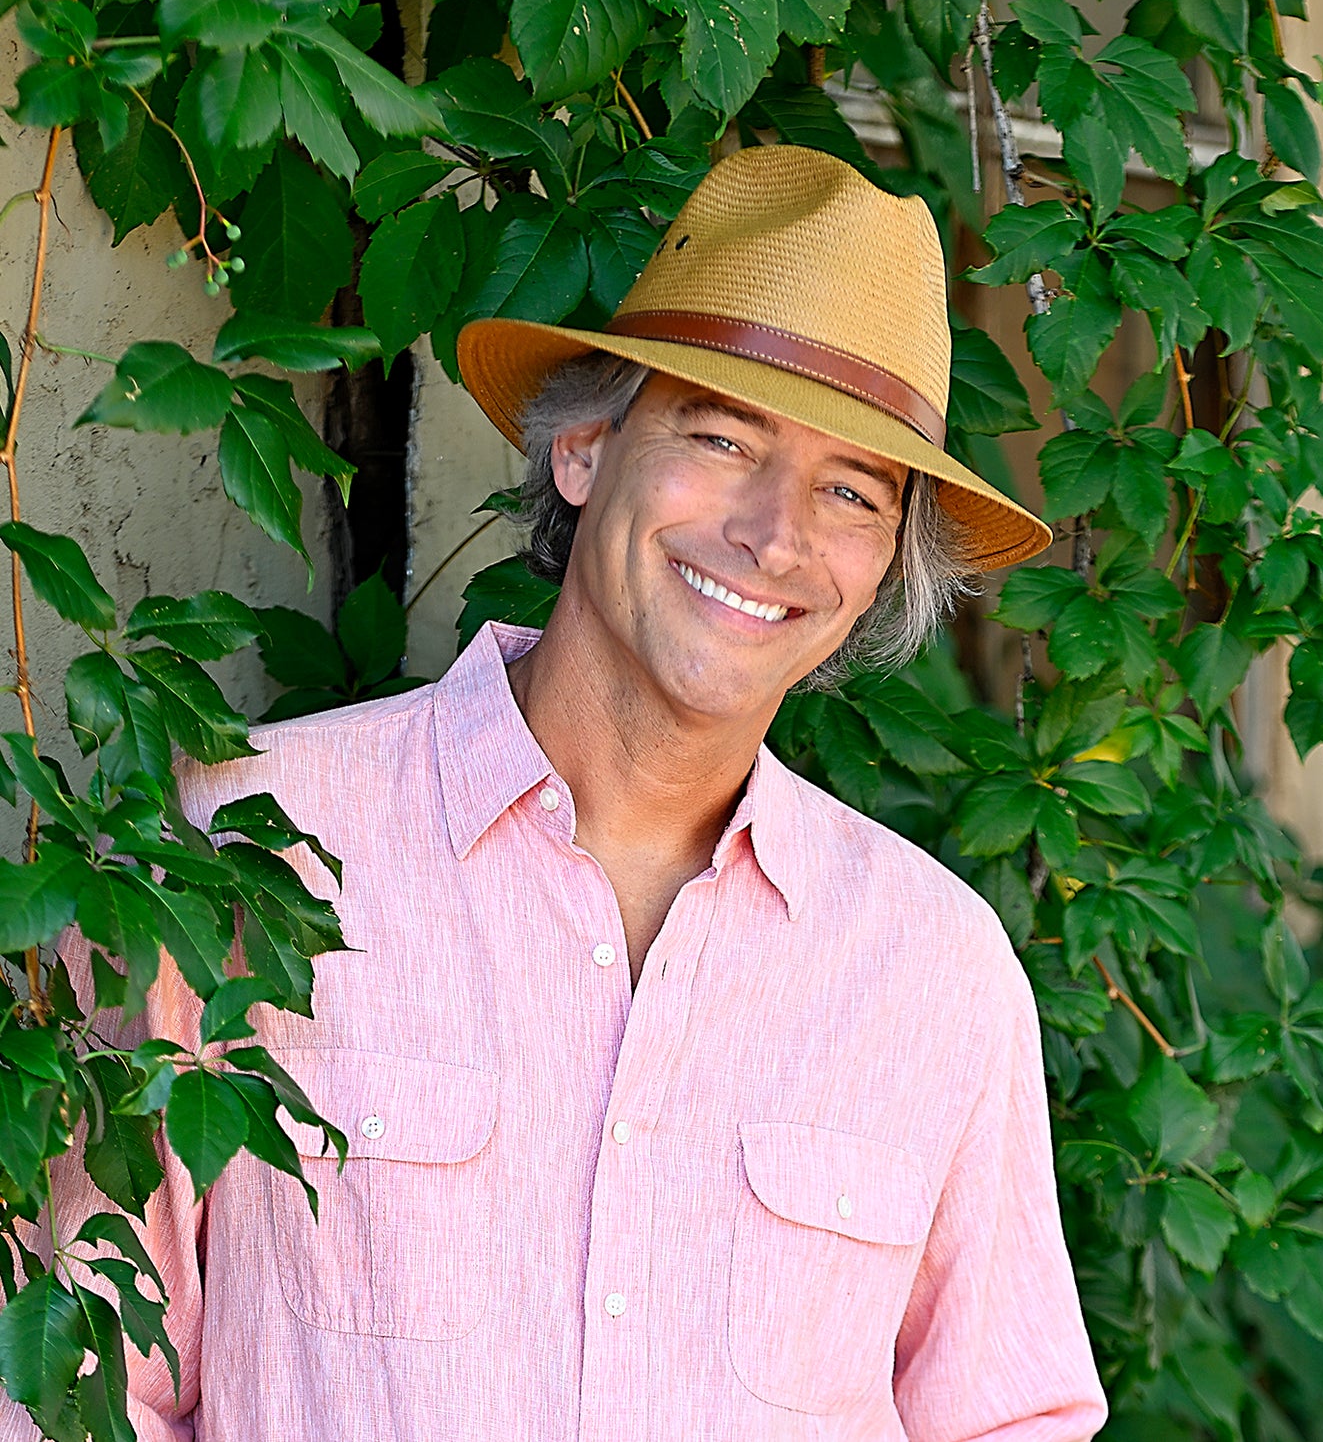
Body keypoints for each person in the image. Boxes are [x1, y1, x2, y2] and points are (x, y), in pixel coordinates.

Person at [3, 144, 1106, 1439]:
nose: (774, 530)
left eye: (850, 490)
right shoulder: (246, 849)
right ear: (584, 448)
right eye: (720, 436)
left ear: (879, 570)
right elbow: (68, 1389)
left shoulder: (935, 974)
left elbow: (1008, 1420)